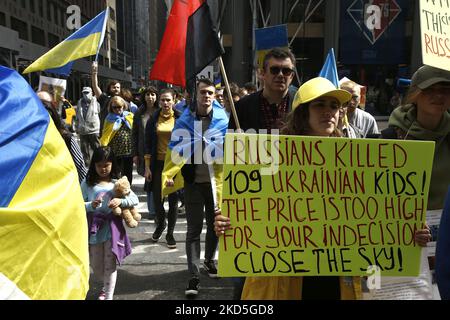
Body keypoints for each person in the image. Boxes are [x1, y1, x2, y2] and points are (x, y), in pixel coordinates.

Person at [215, 77, 432, 300]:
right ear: (302, 112)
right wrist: (227, 224)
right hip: (283, 280)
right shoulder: (268, 155)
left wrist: (407, 229)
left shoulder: (358, 160)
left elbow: (376, 215)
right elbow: (249, 211)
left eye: (334, 106)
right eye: (319, 104)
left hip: (338, 279)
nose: (329, 111)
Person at [164, 79, 229, 297]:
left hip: (215, 184)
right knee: (193, 230)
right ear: (196, 95)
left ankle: (209, 261)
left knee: (214, 225)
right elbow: (175, 148)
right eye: (203, 92)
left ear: (214, 95)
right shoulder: (184, 122)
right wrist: (171, 173)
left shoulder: (223, 120)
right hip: (192, 183)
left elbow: (233, 148)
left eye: (210, 92)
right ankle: (193, 275)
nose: (207, 96)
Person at [81, 146, 138, 300]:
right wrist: (90, 205)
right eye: (99, 165)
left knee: (110, 264)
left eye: (106, 165)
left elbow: (135, 199)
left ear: (113, 164)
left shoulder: (117, 184)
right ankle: (104, 286)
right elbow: (77, 203)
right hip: (93, 230)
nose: (103, 169)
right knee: (96, 266)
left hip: (113, 231)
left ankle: (108, 294)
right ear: (94, 165)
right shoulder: (87, 183)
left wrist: (121, 200)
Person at [144, 89, 181, 248]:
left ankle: (170, 233)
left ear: (174, 100)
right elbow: (147, 144)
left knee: (173, 200)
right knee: (158, 199)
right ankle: (161, 224)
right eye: (162, 100)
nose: (165, 103)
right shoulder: (153, 118)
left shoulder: (180, 118)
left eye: (168, 100)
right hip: (157, 164)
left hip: (174, 164)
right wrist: (147, 167)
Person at [229, 48, 297, 132]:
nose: (280, 75)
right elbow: (230, 143)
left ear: (292, 76)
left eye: (286, 71)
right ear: (262, 73)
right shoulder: (241, 108)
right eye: (274, 70)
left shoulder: (302, 105)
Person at [37, 91, 87, 183]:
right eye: (36, 103)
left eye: (44, 105)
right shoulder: (27, 138)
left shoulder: (66, 138)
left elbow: (80, 168)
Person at [132, 86, 159, 219]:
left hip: (160, 150)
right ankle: (152, 210)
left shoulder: (161, 111)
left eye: (153, 94)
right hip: (144, 151)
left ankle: (157, 208)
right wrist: (135, 154)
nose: (150, 97)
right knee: (149, 179)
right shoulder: (139, 112)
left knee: (157, 180)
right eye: (148, 94)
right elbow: (135, 134)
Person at [100, 96, 134, 184]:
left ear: (123, 106)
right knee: (115, 173)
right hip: (115, 151)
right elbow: (106, 134)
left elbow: (135, 131)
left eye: (119, 107)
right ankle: (115, 190)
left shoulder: (129, 116)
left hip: (128, 150)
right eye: (114, 107)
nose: (117, 109)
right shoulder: (109, 119)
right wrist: (103, 148)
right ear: (111, 108)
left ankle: (127, 189)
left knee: (128, 173)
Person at [91, 61, 122, 133]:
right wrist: (94, 72)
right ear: (109, 88)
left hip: (119, 133)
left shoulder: (124, 101)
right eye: (114, 87)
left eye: (118, 87)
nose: (116, 89)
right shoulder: (104, 99)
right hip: (106, 132)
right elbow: (95, 86)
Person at [75, 87, 101, 166]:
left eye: (87, 93)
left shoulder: (96, 102)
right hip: (83, 131)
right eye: (84, 93)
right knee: (84, 151)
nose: (86, 95)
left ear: (91, 93)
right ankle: (87, 167)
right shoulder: (79, 102)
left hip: (94, 130)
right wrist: (77, 127)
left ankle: (99, 164)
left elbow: (100, 114)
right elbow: (77, 116)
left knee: (97, 150)